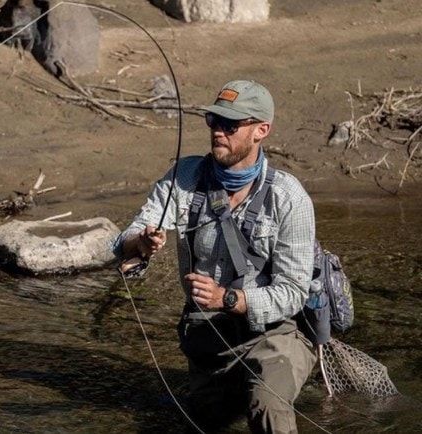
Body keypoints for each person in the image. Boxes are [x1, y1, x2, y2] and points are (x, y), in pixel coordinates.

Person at [113, 80, 317, 434]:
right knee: (203, 423)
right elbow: (122, 241)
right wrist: (140, 244)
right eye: (213, 120)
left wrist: (229, 299)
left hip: (273, 334)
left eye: (230, 124)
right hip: (207, 338)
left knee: (267, 405)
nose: (218, 131)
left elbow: (293, 292)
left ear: (261, 131)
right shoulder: (183, 179)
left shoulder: (289, 198)